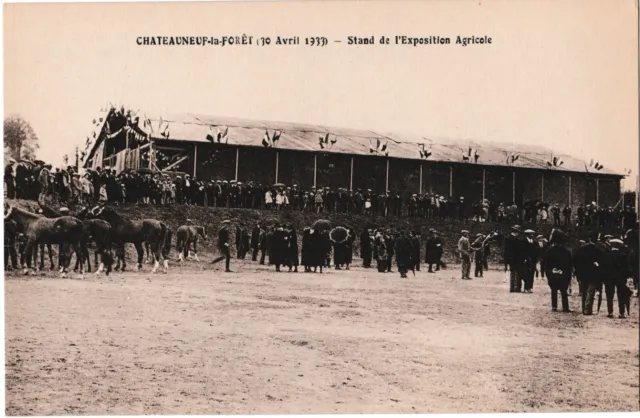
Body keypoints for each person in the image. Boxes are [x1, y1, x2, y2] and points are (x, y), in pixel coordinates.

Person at [573, 231, 606, 315]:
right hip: (593, 275)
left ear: (589, 239)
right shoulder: (598, 251)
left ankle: (585, 308)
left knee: (584, 291)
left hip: (583, 274)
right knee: (590, 292)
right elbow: (602, 264)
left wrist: (578, 272)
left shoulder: (582, 250)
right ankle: (587, 309)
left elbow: (576, 261)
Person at [541, 228, 573, 312]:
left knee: (554, 290)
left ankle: (554, 306)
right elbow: (569, 265)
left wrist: (550, 272)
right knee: (564, 291)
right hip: (563, 273)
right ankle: (565, 307)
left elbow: (546, 264)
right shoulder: (566, 252)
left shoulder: (549, 251)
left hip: (552, 273)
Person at [504, 225, 524, 292]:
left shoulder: (507, 239)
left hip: (510, 259)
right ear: (516, 232)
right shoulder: (515, 240)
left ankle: (512, 288)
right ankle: (516, 287)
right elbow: (518, 250)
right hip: (515, 259)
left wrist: (506, 260)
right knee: (516, 273)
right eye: (518, 232)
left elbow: (506, 250)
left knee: (512, 273)